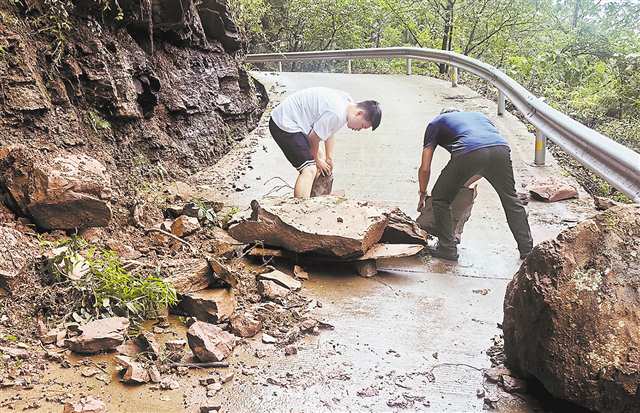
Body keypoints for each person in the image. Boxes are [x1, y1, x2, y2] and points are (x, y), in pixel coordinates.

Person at [417, 109, 533, 261]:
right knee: (510, 199)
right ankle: (528, 251)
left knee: (440, 198)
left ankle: (447, 249)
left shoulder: (436, 123)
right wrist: (459, 184)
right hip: (501, 149)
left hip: (469, 151)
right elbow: (485, 160)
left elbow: (425, 168)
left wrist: (423, 193)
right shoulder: (479, 117)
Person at [269, 87, 382, 198]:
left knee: (321, 159)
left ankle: (312, 196)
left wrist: (329, 158)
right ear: (359, 114)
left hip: (296, 120)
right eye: (362, 126)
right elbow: (313, 138)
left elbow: (329, 132)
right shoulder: (337, 114)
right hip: (284, 123)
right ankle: (300, 209)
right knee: (309, 169)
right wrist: (317, 161)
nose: (359, 130)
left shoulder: (347, 103)